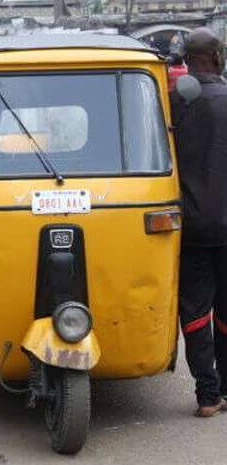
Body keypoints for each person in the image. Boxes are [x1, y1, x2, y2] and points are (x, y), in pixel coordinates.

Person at [172, 27, 227, 417]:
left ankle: (207, 395)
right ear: (218, 56)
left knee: (194, 311)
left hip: (189, 227)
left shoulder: (170, 103)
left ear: (186, 59)